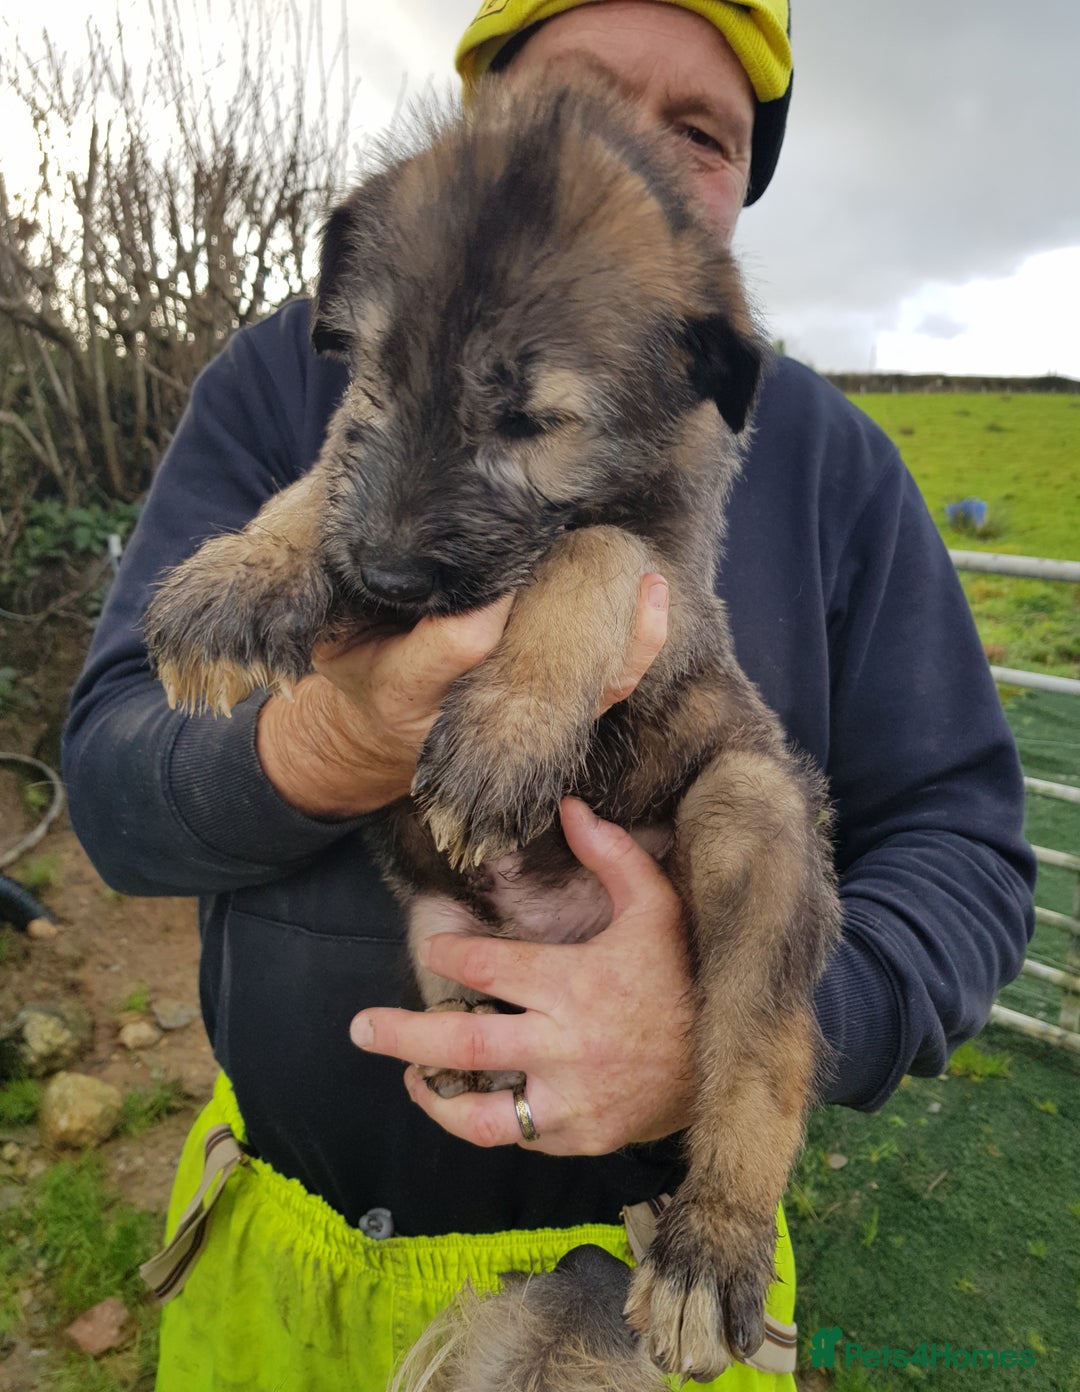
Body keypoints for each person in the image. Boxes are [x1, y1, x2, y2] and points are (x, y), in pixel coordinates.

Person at [61, 3, 1035, 1389]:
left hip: (626, 1288)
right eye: (578, 97)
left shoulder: (810, 450)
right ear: (478, 118)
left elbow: (967, 857)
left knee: (755, 811)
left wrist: (714, 1039)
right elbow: (108, 777)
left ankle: (728, 1202)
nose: (627, 155)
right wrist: (336, 733)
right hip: (277, 1243)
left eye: (699, 133)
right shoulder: (298, 370)